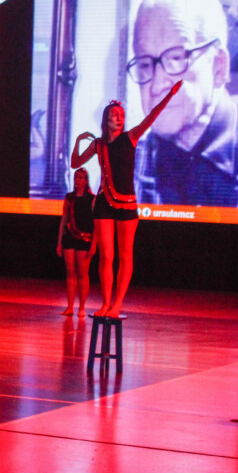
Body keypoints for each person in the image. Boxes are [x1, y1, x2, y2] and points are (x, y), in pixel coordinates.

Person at [130, 0, 238, 208]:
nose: (156, 85)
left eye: (176, 58)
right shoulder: (129, 163)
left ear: (219, 67)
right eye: (144, 64)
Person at [71, 82, 182, 318]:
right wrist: (79, 140)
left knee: (125, 255)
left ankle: (117, 304)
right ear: (106, 119)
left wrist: (169, 94)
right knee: (106, 256)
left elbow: (151, 117)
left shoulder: (130, 137)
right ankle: (105, 303)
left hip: (127, 203)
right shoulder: (98, 144)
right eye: (114, 114)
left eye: (121, 115)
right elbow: (75, 163)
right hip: (104, 203)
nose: (119, 118)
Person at [56, 168, 96, 317]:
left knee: (82, 273)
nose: (77, 181)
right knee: (70, 272)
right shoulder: (69, 197)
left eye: (80, 178)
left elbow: (96, 224)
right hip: (69, 238)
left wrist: (94, 244)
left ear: (86, 181)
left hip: (85, 239)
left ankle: (82, 308)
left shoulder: (92, 199)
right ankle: (70, 307)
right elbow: (64, 220)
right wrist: (59, 242)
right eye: (75, 178)